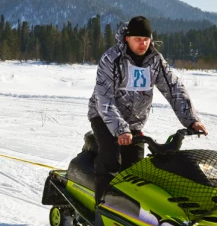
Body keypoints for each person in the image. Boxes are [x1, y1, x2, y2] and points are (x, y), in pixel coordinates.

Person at [87, 16, 207, 208]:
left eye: (146, 39)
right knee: (111, 159)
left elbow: (174, 89)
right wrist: (120, 130)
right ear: (127, 38)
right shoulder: (111, 59)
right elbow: (105, 100)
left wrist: (191, 120)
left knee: (135, 170)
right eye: (137, 39)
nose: (142, 44)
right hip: (104, 116)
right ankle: (101, 212)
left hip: (134, 122)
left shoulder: (155, 61)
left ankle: (130, 215)